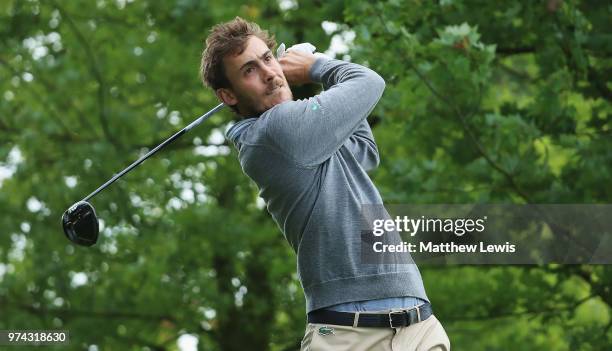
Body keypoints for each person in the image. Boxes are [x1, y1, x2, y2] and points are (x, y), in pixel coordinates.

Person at [201, 17, 450, 351]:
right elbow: (368, 82)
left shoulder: (307, 130)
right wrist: (317, 67)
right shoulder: (273, 131)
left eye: (268, 58)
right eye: (249, 70)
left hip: (418, 324)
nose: (270, 74)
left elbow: (364, 151)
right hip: (347, 334)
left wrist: (320, 85)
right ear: (228, 95)